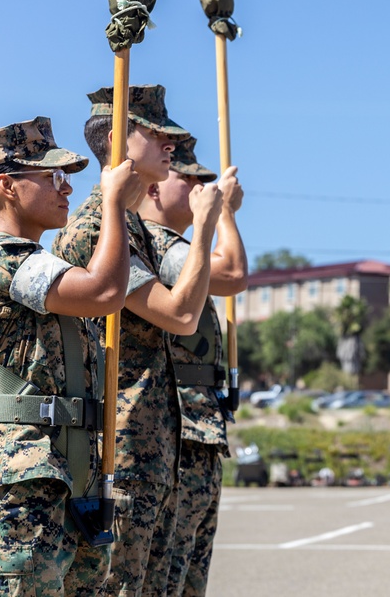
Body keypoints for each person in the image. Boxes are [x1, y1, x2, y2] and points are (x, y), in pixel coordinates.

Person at [0, 116, 143, 596]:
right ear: (7, 186)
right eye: (52, 177)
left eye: (69, 178)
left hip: (66, 476)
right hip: (16, 481)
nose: (66, 188)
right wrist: (113, 202)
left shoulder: (43, 265)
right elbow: (102, 292)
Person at [51, 85, 223, 597]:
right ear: (120, 140)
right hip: (120, 453)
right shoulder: (94, 232)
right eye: (154, 132)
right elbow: (181, 314)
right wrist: (208, 225)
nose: (170, 143)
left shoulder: (137, 231)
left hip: (157, 452)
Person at [137, 138, 248, 597]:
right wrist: (223, 215)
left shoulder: (182, 244)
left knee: (187, 576)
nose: (204, 188)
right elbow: (234, 274)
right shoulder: (157, 243)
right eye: (192, 180)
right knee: (164, 574)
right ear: (157, 189)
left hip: (196, 425)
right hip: (171, 428)